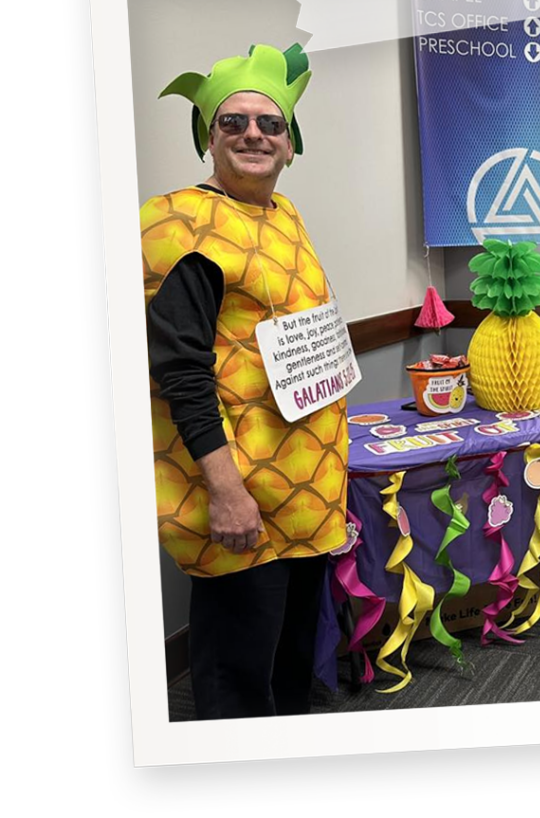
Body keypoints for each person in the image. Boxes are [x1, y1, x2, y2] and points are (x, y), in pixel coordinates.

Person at [142, 43, 351, 720]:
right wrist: (226, 492)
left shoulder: (284, 215)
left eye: (272, 123)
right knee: (237, 674)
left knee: (290, 661)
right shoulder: (186, 225)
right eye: (233, 123)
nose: (254, 134)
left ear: (291, 145)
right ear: (209, 138)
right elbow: (180, 370)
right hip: (244, 495)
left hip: (307, 491)